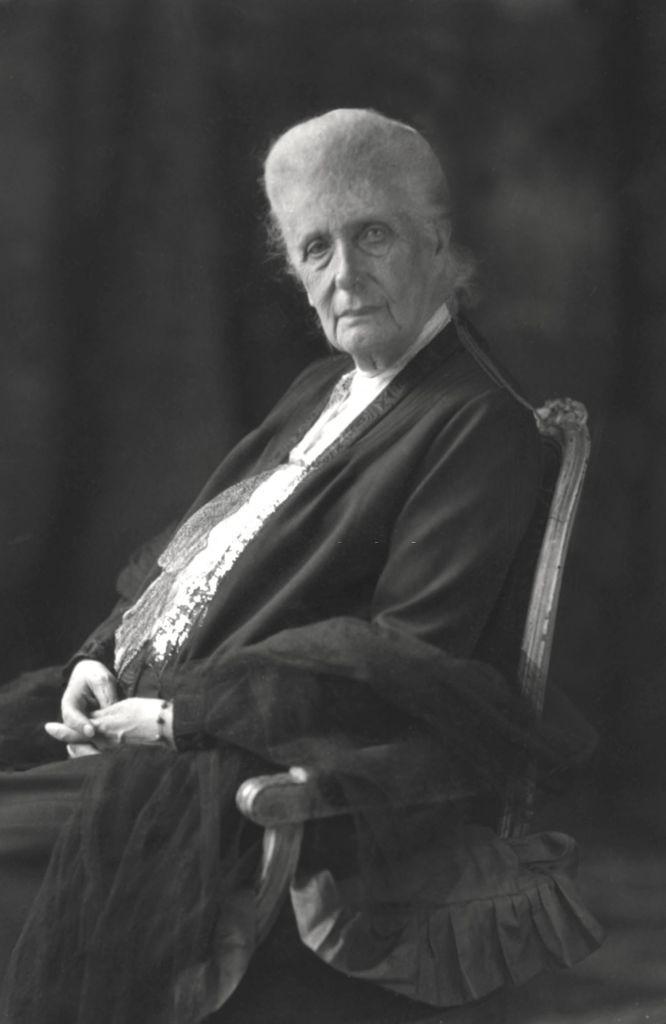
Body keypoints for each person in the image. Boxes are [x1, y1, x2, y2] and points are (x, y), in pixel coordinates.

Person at [0, 108, 602, 1024]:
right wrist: (99, 658)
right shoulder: (324, 389)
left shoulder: (475, 421)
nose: (344, 275)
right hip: (144, 737)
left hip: (241, 775)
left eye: (373, 236)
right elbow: (200, 553)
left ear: (439, 243)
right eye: (316, 249)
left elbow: (406, 660)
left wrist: (182, 717)